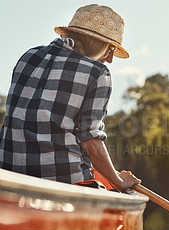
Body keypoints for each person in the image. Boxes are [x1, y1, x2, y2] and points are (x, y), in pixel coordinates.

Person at [0, 4, 140, 191]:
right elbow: (91, 141)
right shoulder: (98, 72)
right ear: (99, 43)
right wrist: (119, 181)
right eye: (110, 49)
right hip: (64, 181)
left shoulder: (29, 56)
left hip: (9, 174)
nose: (110, 59)